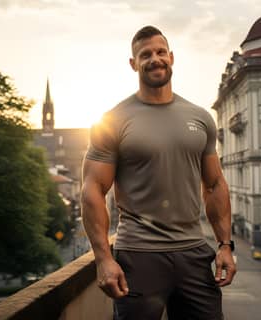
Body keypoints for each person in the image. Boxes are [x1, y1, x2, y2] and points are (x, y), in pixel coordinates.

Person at [81, 25, 236, 320]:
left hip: (194, 253)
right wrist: (103, 259)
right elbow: (92, 191)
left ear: (172, 57)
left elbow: (215, 185)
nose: (155, 59)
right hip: (138, 256)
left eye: (160, 52)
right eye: (145, 54)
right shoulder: (112, 120)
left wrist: (225, 246)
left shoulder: (201, 118)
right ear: (133, 63)